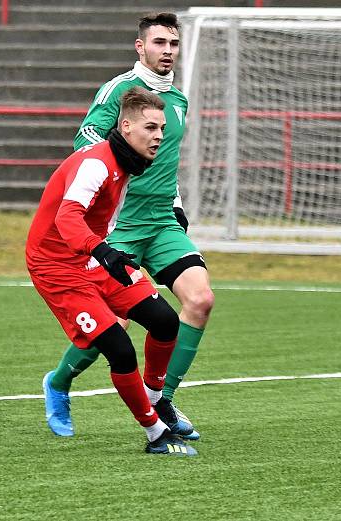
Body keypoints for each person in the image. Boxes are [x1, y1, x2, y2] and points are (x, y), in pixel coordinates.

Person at [42, 12, 214, 440]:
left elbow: (167, 161)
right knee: (114, 325)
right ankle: (58, 382)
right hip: (120, 225)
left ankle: (163, 399)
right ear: (141, 47)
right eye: (159, 43)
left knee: (201, 300)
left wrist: (175, 202)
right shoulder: (119, 91)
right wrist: (119, 171)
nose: (168, 51)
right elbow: (85, 138)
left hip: (161, 221)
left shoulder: (178, 101)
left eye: (173, 43)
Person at [28, 87, 196, 456]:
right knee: (119, 349)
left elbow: (101, 218)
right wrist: (103, 251)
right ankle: (155, 433)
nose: (158, 136)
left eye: (162, 128)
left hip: (92, 256)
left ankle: (155, 398)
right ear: (125, 126)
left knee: (165, 321)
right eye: (151, 127)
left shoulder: (128, 164)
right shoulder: (98, 163)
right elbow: (66, 216)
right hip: (56, 266)